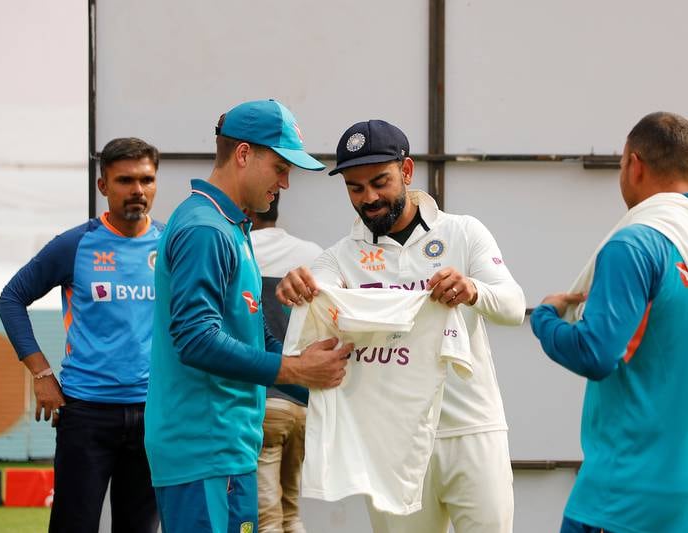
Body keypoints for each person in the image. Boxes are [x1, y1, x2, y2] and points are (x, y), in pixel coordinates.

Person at [276, 119, 526, 533]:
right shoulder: (339, 257)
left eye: (380, 182)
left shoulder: (462, 233)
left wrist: (471, 289)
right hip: (393, 444)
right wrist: (297, 286)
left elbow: (514, 307)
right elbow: (315, 289)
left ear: (406, 171)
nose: (369, 198)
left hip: (471, 429)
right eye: (355, 188)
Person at [529, 112, 688, 533]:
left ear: (635, 164)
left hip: (622, 495)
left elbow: (596, 352)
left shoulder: (632, 245)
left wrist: (546, 320)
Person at [145, 99, 352, 533]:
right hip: (205, 451)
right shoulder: (205, 229)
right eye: (280, 167)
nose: (286, 183)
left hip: (226, 448)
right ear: (243, 155)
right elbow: (195, 338)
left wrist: (302, 357)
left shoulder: (231, 227)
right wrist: (295, 367)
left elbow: (252, 331)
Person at [0, 137, 163, 533]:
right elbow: (11, 299)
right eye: (125, 180)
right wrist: (41, 374)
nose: (137, 191)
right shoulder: (75, 244)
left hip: (154, 414)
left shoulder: (173, 243)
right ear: (103, 186)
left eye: (146, 179)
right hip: (86, 414)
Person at [247, 193, 322, 533]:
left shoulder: (241, 251)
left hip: (263, 403)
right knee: (292, 512)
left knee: (266, 518)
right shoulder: (313, 256)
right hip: (304, 402)